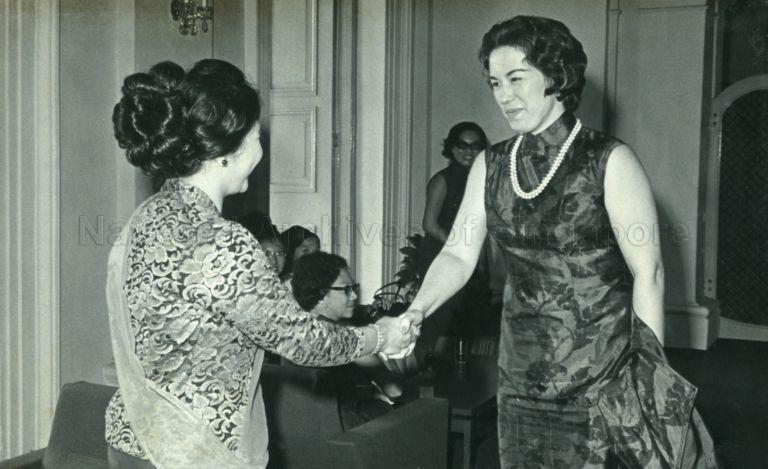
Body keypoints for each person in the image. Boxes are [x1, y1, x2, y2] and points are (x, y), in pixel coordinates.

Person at [405, 16, 717, 468]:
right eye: (495, 82)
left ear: (556, 76)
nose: (503, 96)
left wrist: (651, 375)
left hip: (602, 371)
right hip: (520, 373)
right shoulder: (490, 166)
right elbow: (456, 251)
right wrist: (417, 309)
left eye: (516, 78)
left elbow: (648, 272)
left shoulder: (608, 159)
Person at [105, 59, 418, 469]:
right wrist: (379, 337)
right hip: (192, 452)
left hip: (130, 440)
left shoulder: (142, 219)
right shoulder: (221, 241)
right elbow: (301, 340)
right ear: (228, 151)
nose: (260, 143)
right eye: (256, 133)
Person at [291, 251, 401, 428]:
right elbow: (394, 390)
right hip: (346, 429)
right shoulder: (345, 336)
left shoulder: (294, 329)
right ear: (321, 296)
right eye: (346, 290)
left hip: (306, 430)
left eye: (354, 288)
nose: (354, 296)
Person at [417, 122, 495, 342]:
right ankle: (434, 370)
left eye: (475, 146)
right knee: (444, 318)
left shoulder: (482, 181)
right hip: (440, 254)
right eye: (462, 145)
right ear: (451, 148)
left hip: (471, 255)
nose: (468, 152)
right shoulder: (442, 180)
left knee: (472, 317)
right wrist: (458, 247)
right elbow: (429, 224)